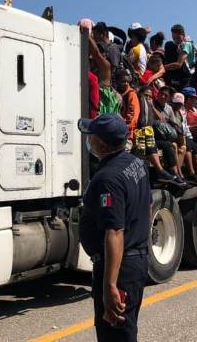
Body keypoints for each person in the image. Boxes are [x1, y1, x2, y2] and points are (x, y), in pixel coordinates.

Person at [78, 114, 151, 342]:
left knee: (115, 334)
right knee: (124, 332)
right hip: (134, 261)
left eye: (91, 137)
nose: (88, 141)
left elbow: (115, 231)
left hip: (120, 269)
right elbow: (147, 208)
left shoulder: (107, 179)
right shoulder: (136, 163)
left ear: (101, 143)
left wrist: (110, 285)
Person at [116, 69, 140, 147]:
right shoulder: (116, 93)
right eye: (123, 81)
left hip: (127, 135)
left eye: (127, 82)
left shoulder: (131, 94)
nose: (126, 84)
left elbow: (133, 116)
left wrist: (125, 128)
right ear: (117, 81)